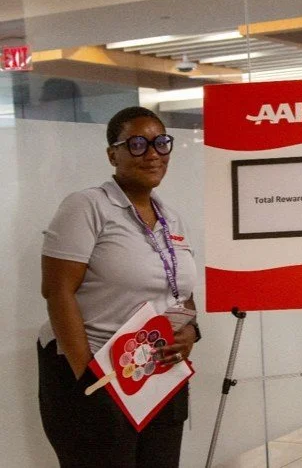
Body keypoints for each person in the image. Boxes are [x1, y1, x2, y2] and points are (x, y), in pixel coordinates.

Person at [37, 106, 200, 467]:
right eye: (138, 144)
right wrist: (90, 379)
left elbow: (180, 288)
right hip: (96, 372)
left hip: (156, 373)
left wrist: (189, 330)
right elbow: (57, 291)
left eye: (161, 142)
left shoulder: (171, 216)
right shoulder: (87, 206)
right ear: (113, 153)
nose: (153, 153)